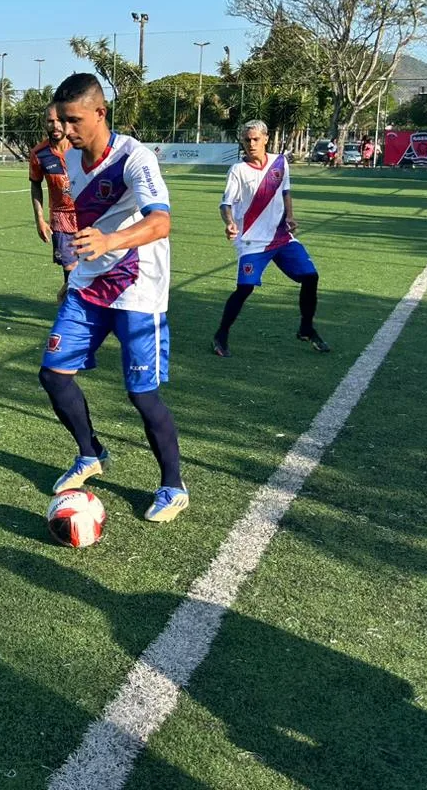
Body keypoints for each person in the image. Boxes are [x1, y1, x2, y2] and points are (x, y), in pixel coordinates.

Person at [39, 73, 186, 524]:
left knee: (142, 395)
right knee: (54, 374)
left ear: (100, 113)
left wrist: (109, 242)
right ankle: (90, 454)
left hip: (137, 289)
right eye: (60, 120)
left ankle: (172, 484)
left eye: (73, 119)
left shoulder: (133, 158)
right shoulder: (70, 160)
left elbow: (161, 223)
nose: (64, 129)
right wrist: (78, 270)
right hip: (89, 287)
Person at [212, 120, 329, 357]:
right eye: (247, 140)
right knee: (244, 289)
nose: (251, 144)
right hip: (252, 241)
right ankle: (221, 334)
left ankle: (306, 328)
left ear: (266, 138)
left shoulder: (280, 162)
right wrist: (230, 223)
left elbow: (285, 191)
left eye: (255, 139)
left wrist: (291, 217)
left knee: (310, 277)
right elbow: (225, 204)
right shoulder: (237, 170)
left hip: (281, 237)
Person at [28, 104, 78, 299]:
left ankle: (68, 297)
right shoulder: (39, 153)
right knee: (71, 269)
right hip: (61, 218)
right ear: (45, 123)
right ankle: (71, 308)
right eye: (51, 121)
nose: (55, 125)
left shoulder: (82, 147)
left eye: (59, 120)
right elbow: (35, 185)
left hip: (86, 214)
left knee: (93, 269)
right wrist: (39, 219)